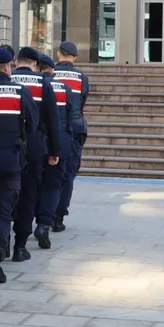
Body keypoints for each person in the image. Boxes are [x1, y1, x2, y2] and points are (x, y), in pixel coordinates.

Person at [0, 47, 36, 279]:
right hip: (10, 160)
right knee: (2, 211)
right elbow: (32, 123)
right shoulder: (21, 91)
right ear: (9, 65)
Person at [11, 48, 61, 258]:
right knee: (29, 194)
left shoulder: (7, 79)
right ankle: (20, 245)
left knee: (4, 195)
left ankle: (1, 241)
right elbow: (52, 120)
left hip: (8, 145)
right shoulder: (43, 83)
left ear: (15, 62)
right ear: (34, 63)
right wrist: (54, 150)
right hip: (34, 145)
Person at [35, 54, 72, 252]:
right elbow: (68, 114)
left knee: (32, 184)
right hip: (59, 141)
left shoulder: (30, 86)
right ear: (53, 70)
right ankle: (44, 224)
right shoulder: (64, 88)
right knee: (53, 185)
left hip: (35, 142)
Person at [52, 41, 89, 233]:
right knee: (68, 175)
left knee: (50, 173)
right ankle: (59, 217)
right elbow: (81, 102)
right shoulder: (81, 76)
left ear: (59, 54)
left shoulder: (49, 73)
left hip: (53, 129)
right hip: (75, 128)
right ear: (74, 58)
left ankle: (46, 213)